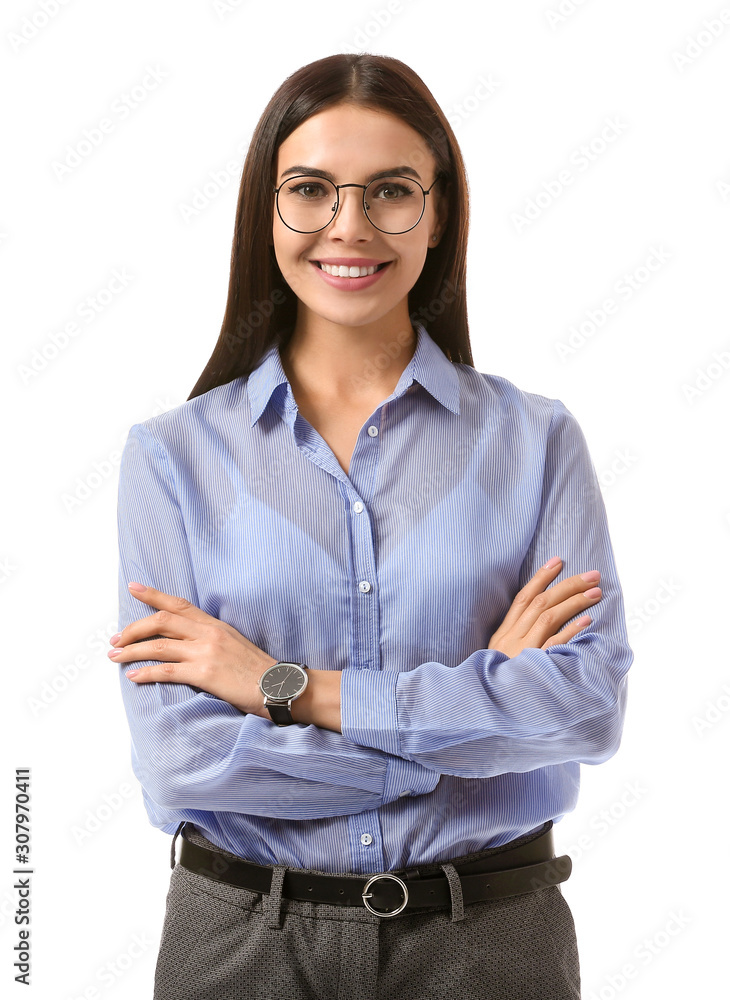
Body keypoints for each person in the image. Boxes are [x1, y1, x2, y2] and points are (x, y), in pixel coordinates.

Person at [110, 52, 633, 1000]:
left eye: (391, 190)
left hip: (488, 942)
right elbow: (180, 756)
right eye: (309, 189)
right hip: (241, 942)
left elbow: (584, 707)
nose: (348, 227)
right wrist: (461, 732)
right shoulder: (171, 456)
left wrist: (283, 688)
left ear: (439, 212)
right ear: (265, 210)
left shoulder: (535, 441)